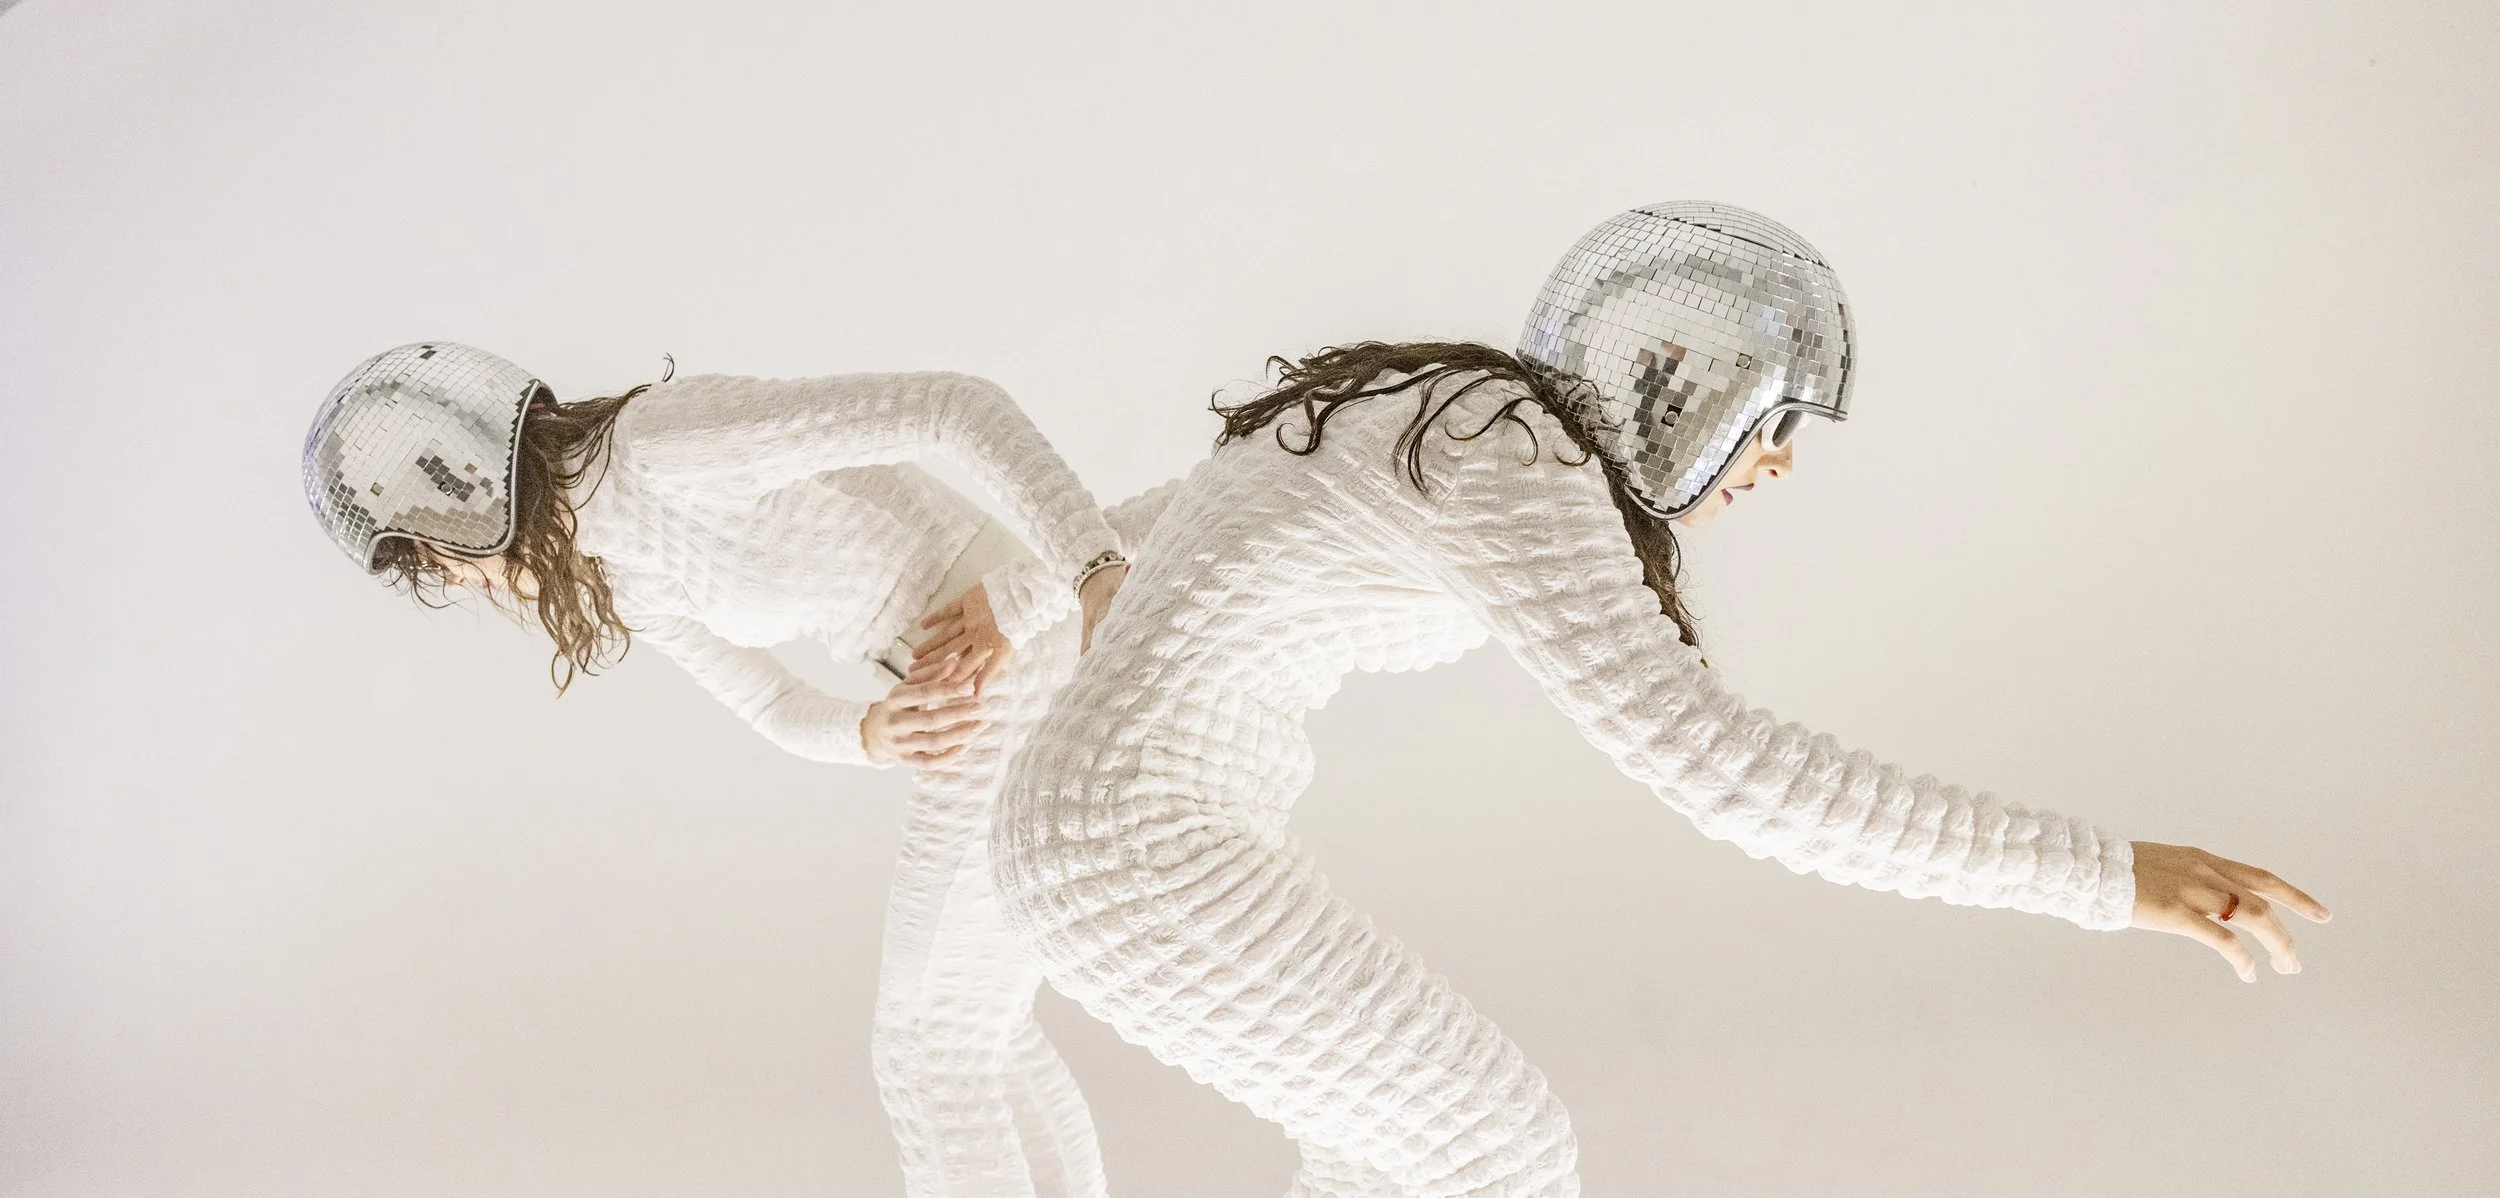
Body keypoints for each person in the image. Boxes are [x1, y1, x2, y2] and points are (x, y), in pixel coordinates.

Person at [989, 202, 2331, 1196]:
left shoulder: (1422, 409)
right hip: (1138, 851)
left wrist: (1007, 609)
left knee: (1383, 1156)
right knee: (1496, 1149)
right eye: (1774, 422)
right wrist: (2104, 874)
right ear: (1682, 387)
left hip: (1103, 838)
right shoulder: (1510, 449)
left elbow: (1166, 519)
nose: (1779, 465)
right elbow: (1725, 771)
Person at [300, 345, 1153, 1198]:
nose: (458, 580)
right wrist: (870, 731)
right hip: (979, 698)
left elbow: (954, 407)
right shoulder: (621, 571)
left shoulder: (665, 446)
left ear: (475, 495)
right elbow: (771, 702)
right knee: (977, 1029)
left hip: (1020, 659)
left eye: (439, 552)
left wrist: (1090, 569)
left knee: (930, 1046)